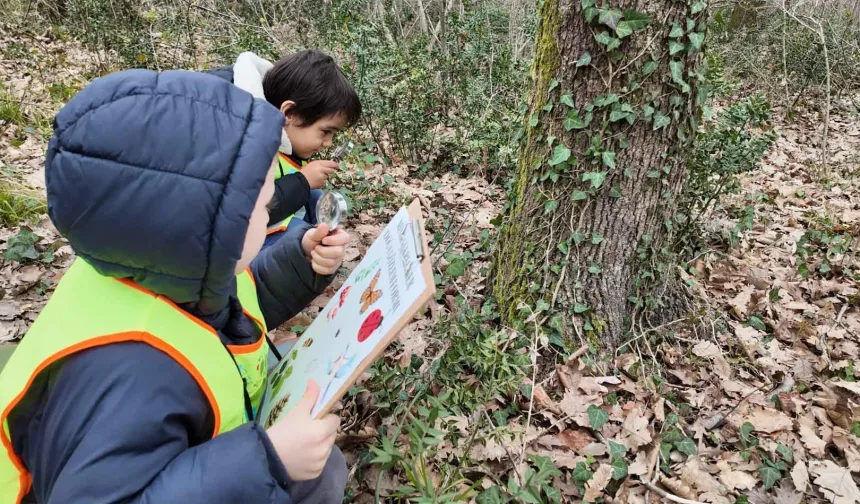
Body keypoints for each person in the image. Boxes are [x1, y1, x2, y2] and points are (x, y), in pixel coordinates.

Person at [0, 69, 351, 503]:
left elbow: (225, 315)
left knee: (319, 447)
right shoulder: (132, 373)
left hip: (185, 452)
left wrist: (301, 260)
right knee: (318, 476)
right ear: (203, 226)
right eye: (264, 206)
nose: (270, 216)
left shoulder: (156, 264)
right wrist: (266, 461)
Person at [208, 50, 362, 246]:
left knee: (316, 197)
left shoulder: (280, 133)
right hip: (234, 239)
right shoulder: (244, 141)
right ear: (289, 113)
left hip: (266, 213)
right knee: (300, 233)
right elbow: (246, 211)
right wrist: (303, 181)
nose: (328, 143)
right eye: (326, 131)